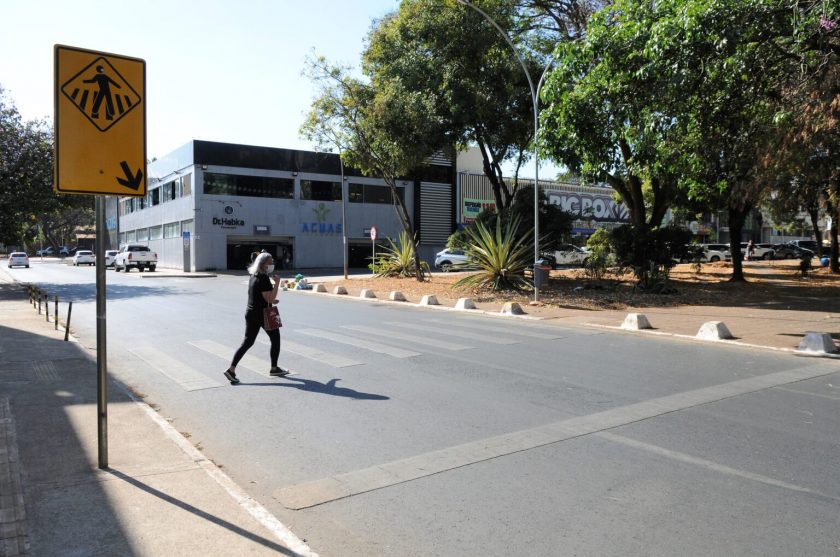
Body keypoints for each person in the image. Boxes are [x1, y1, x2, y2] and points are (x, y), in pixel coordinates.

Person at [224, 252, 289, 384]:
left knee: (247, 342)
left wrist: (271, 300)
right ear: (263, 264)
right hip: (263, 314)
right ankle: (274, 368)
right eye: (270, 262)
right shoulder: (264, 278)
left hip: (250, 312)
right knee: (275, 338)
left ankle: (231, 369)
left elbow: (260, 296)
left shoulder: (253, 276)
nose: (272, 264)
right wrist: (277, 283)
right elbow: (269, 297)